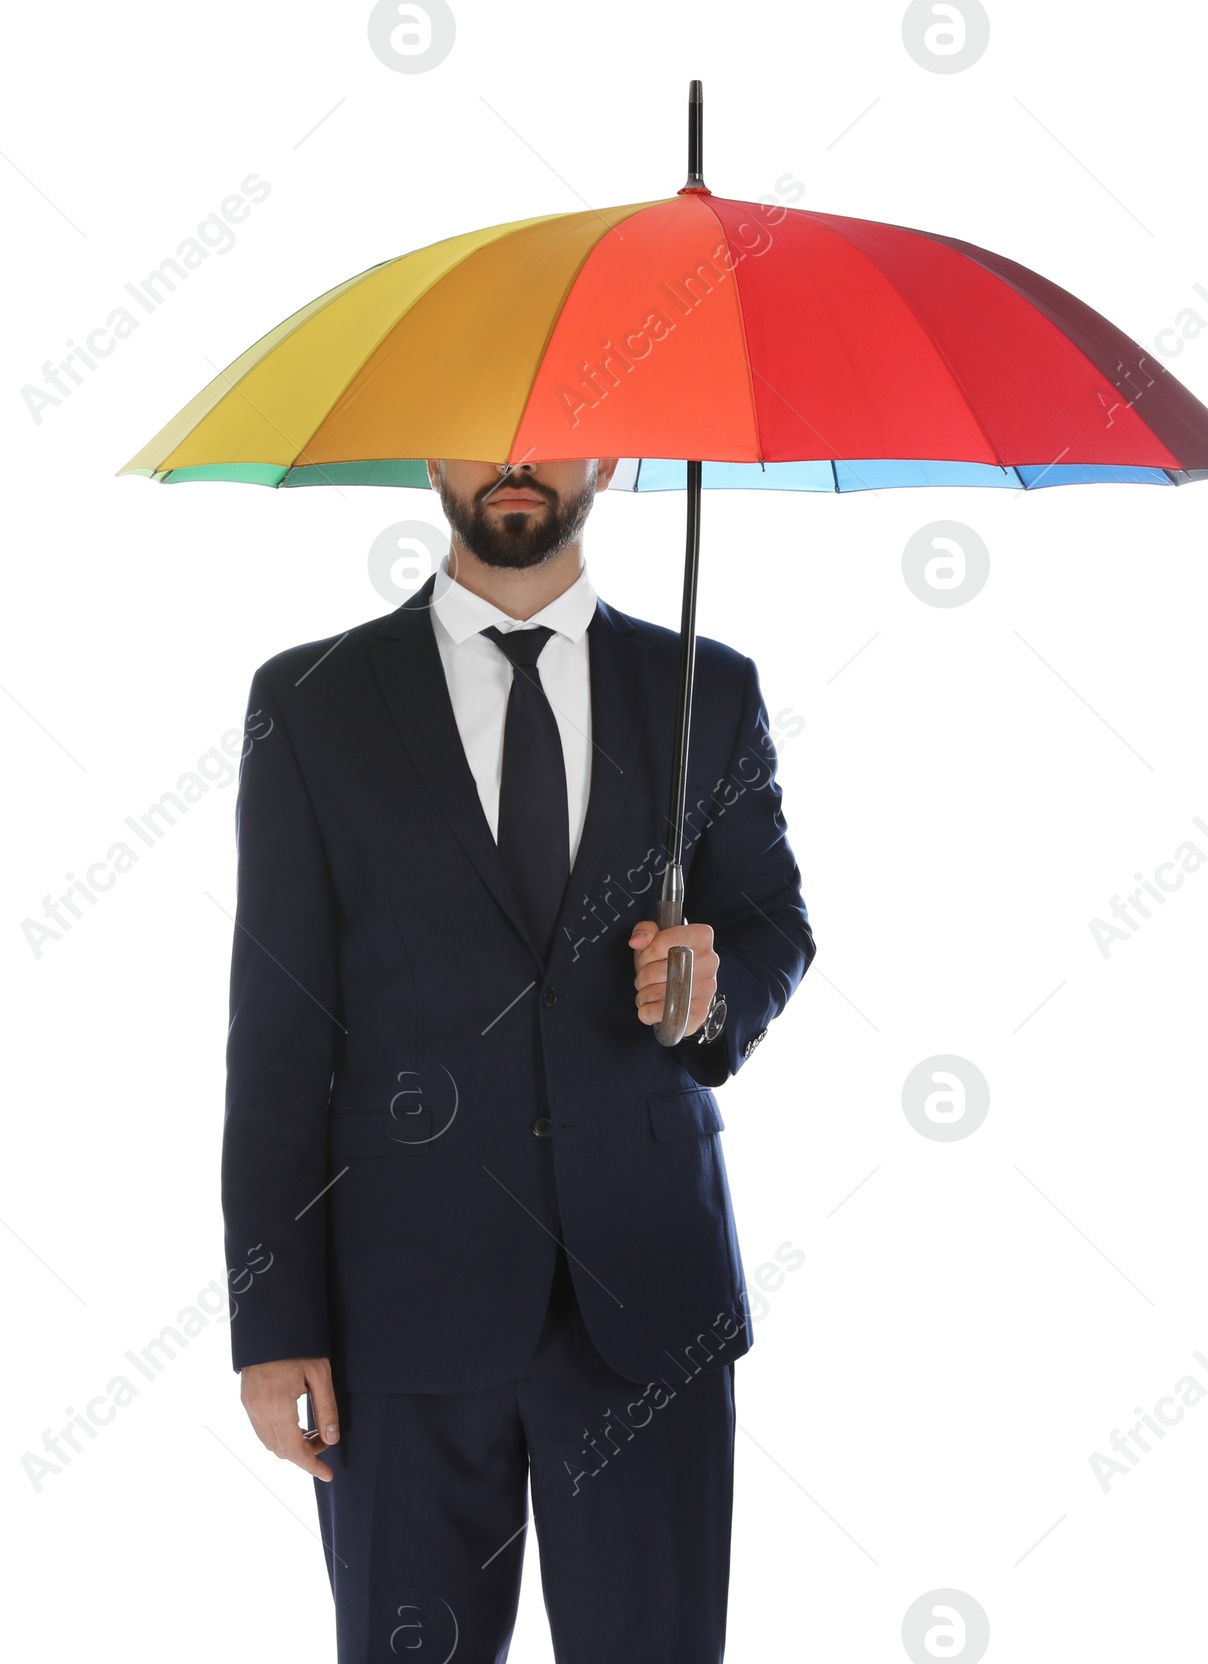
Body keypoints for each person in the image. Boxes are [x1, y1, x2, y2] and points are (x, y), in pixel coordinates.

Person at [222, 454, 814, 1663]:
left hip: (650, 1297)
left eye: (550, 427)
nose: (515, 460)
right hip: (396, 1313)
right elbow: (277, 1032)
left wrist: (708, 995)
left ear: (603, 456)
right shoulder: (314, 699)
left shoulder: (703, 687)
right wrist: (269, 1313)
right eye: (479, 428)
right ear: (429, 453)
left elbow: (773, 927)